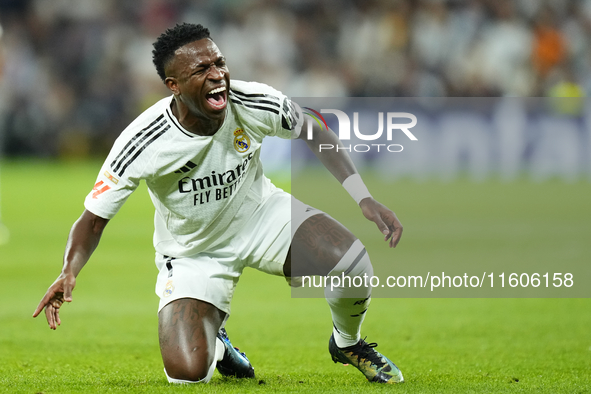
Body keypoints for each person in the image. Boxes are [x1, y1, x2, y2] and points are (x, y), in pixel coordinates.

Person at [33, 23, 405, 384]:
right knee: (187, 374)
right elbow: (93, 220)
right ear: (173, 86)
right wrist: (69, 271)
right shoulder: (144, 140)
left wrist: (363, 196)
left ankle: (347, 343)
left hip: (260, 215)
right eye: (202, 69)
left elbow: (312, 128)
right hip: (193, 251)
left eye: (219, 63)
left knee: (353, 263)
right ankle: (219, 345)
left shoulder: (253, 100)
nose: (217, 75)